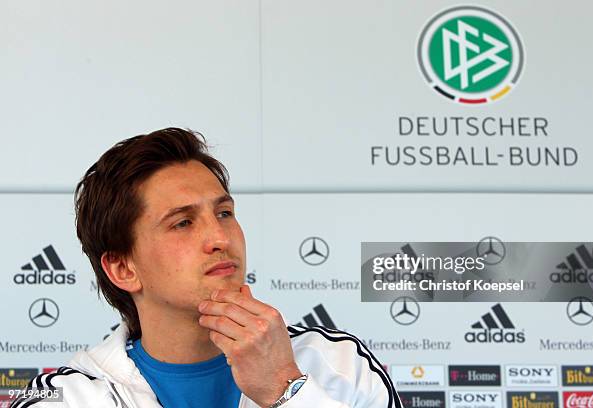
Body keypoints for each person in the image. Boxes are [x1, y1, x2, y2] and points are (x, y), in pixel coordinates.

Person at [11, 128, 401, 408]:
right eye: (183, 222)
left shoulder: (339, 363)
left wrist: (286, 390)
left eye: (225, 212)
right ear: (122, 268)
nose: (220, 237)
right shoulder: (66, 398)